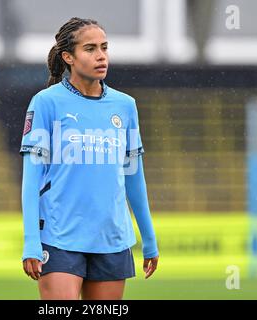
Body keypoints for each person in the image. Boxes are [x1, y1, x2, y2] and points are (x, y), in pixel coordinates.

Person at [20, 17, 159, 300]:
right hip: (59, 236)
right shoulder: (46, 103)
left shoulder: (125, 106)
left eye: (104, 48)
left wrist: (149, 240)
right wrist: (31, 242)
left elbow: (134, 177)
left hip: (112, 238)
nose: (101, 56)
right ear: (68, 56)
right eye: (90, 49)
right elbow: (31, 178)